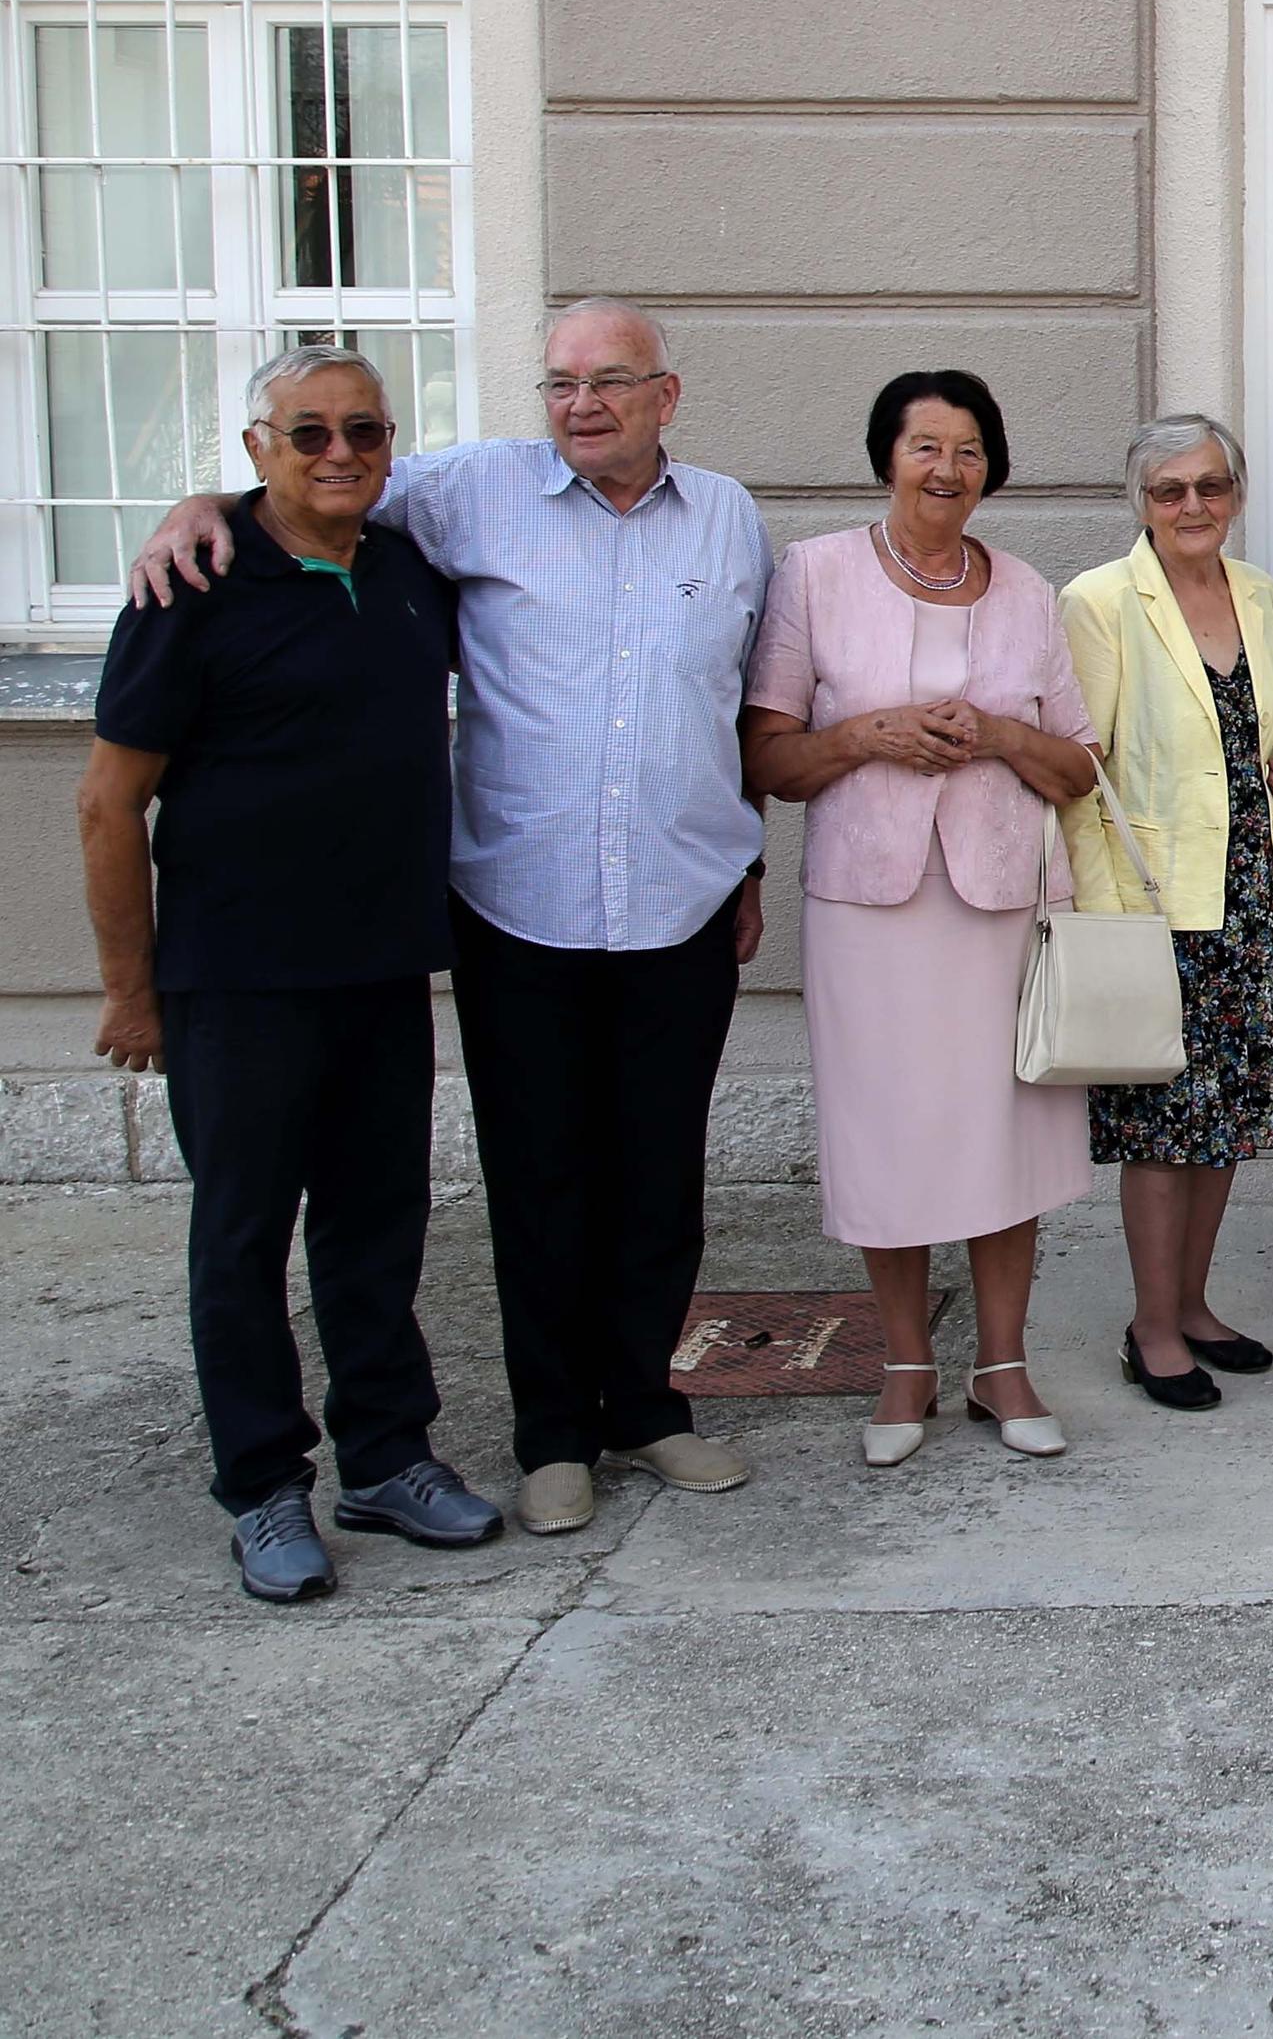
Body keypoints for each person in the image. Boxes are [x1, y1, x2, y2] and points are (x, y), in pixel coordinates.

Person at [121, 300, 771, 1538]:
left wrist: (745, 863)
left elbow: (735, 703)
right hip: (517, 908)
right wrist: (192, 505)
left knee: (659, 1176)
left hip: (683, 904)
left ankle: (645, 1405)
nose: (581, 403)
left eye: (611, 381)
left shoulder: (731, 518)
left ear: (667, 395)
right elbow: (312, 478)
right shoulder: (470, 490)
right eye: (561, 381)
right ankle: (552, 1436)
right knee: (539, 1179)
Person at [78, 347, 502, 1600]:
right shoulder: (192, 583)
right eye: (306, 432)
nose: (338, 453)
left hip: (379, 972)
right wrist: (128, 988)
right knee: (243, 1236)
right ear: (258, 446)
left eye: (363, 431)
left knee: (378, 1226)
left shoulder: (408, 568)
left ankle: (385, 1455)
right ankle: (264, 1486)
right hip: (236, 982)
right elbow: (109, 805)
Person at [742, 371, 1102, 1467]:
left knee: (1006, 1128)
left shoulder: (1029, 591)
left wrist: (997, 732)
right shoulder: (816, 573)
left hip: (999, 900)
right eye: (925, 447)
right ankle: (905, 1363)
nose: (947, 470)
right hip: (872, 906)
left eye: (969, 451)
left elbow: (1081, 764)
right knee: (886, 1131)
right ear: (886, 455)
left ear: (993, 467)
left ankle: (1003, 1364)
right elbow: (767, 755)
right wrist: (869, 735)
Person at [1061, 415, 1273, 1412]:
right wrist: (1107, 915)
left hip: (1260, 892)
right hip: (1160, 907)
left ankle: (1196, 1301)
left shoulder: (1261, 592)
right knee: (1164, 1129)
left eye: (1211, 486)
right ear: (1142, 500)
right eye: (1171, 490)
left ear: (1237, 492)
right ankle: (1152, 1323)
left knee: (1229, 1120)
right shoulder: (1099, 600)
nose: (1193, 506)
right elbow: (1082, 774)